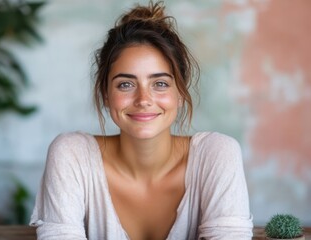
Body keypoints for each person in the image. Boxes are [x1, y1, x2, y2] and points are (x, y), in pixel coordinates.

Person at [30, 1, 253, 239]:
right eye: (126, 84)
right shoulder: (72, 155)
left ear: (180, 93)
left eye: (160, 84)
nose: (143, 99)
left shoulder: (217, 154)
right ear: (106, 94)